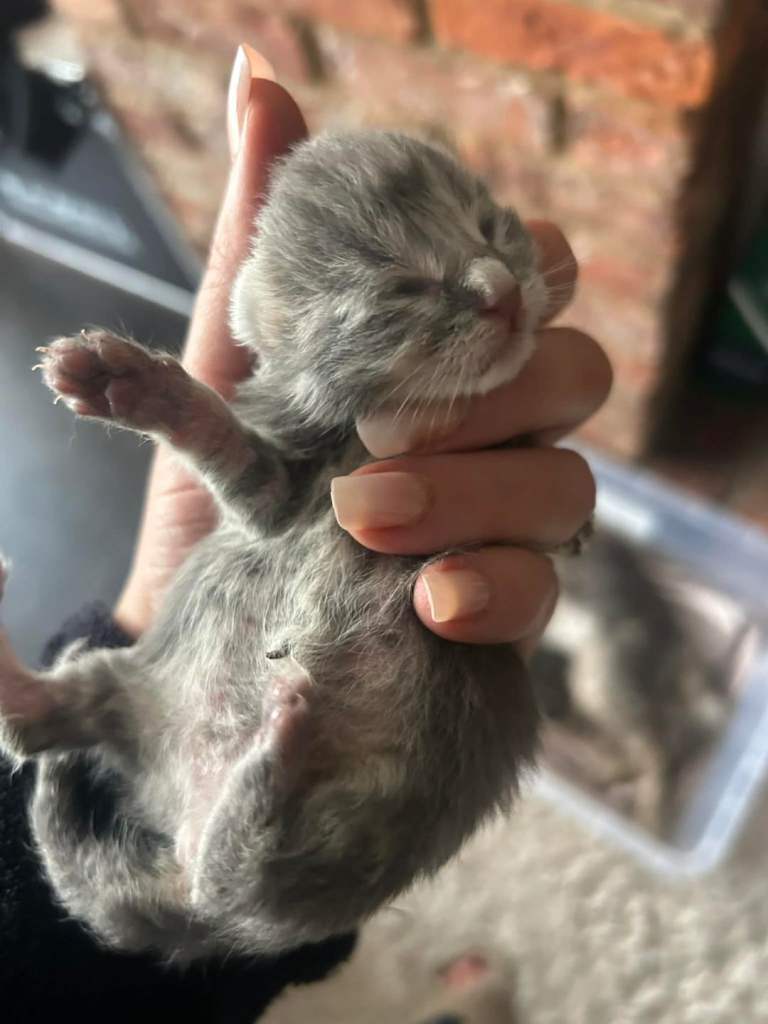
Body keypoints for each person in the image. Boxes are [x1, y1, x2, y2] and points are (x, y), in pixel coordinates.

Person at [0, 46, 611, 1024]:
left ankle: (55, 710)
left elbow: (272, 496)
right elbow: (268, 485)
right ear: (280, 326)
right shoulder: (298, 396)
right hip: (262, 807)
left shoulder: (441, 408)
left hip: (259, 777)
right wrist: (184, 410)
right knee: (188, 806)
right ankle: (91, 736)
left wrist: (180, 410)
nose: (499, 280)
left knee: (129, 710)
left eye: (490, 228)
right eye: (407, 288)